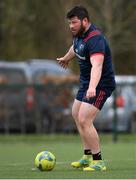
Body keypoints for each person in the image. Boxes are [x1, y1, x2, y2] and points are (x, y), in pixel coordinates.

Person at [57, 5, 116, 171]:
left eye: (74, 22)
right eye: (69, 23)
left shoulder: (95, 38)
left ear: (85, 21)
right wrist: (67, 58)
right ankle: (87, 156)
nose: (71, 26)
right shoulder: (79, 35)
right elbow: (76, 48)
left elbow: (97, 66)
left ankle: (98, 161)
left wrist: (92, 87)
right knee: (76, 113)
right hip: (86, 82)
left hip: (100, 84)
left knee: (84, 119)